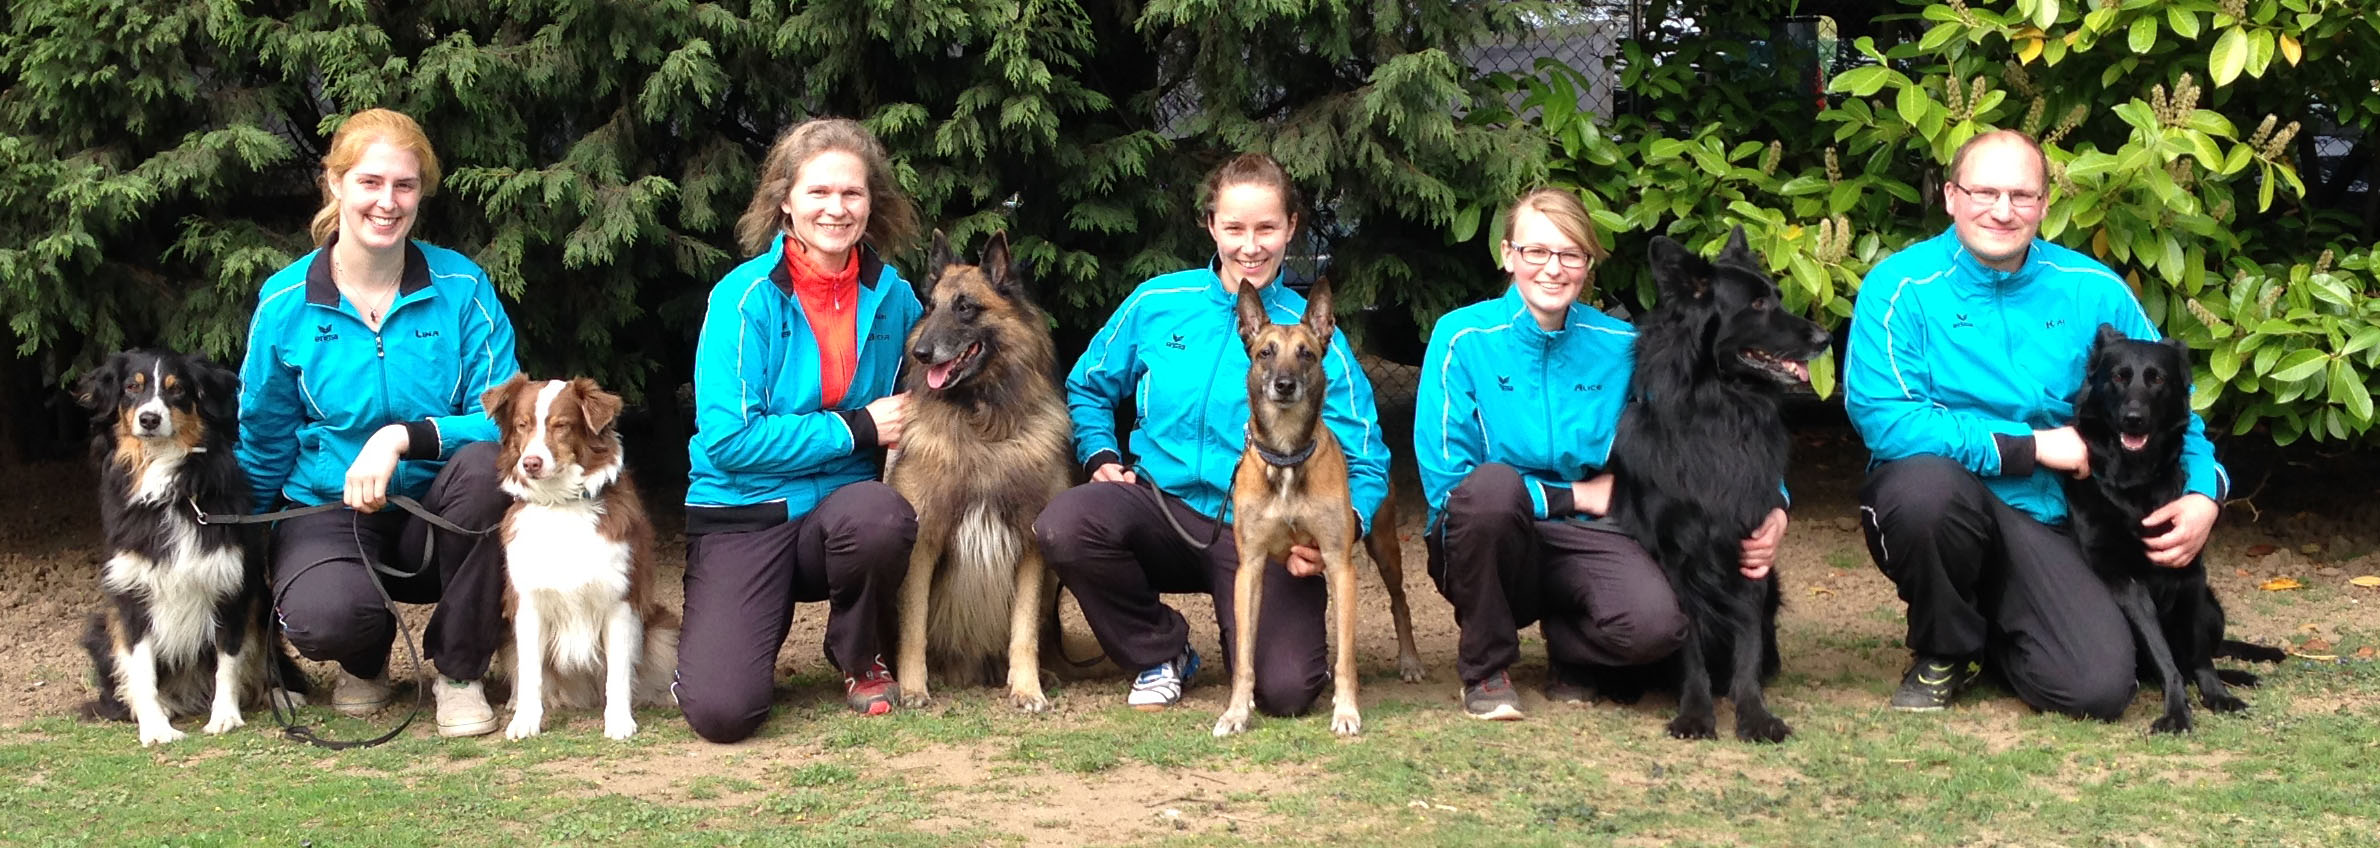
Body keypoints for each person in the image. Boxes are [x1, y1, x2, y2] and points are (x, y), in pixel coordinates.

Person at [1846, 129, 2228, 719]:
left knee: (2096, 689)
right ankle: (1943, 648)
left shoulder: (2095, 289)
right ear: (1950, 196)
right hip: (1955, 503)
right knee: (1923, 489)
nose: (2003, 211)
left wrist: (2206, 492)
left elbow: (2175, 403)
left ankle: (1998, 634)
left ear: (2046, 205)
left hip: (2062, 523)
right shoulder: (1898, 289)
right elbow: (1887, 421)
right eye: (1984, 192)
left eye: (2022, 195)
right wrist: (2032, 447)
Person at [1034, 153, 1391, 717]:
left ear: (1292, 228)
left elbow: (1367, 456)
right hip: (1158, 506)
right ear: (1211, 226)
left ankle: (1248, 650)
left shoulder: (1311, 338)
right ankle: (1162, 651)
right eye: (1235, 228)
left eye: (1267, 228)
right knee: (1066, 525)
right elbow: (1087, 386)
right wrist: (1100, 453)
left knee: (1288, 692)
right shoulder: (1158, 303)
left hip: (1261, 530)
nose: (1251, 246)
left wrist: (1347, 526)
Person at [1415, 188, 1789, 720]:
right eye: (1536, 252)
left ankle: (1572, 648)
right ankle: (1486, 668)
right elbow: (1448, 487)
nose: (1553, 269)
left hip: (1594, 536)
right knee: (1491, 491)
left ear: (1587, 265)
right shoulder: (1461, 338)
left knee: (1657, 627)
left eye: (1570, 254)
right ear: (1507, 255)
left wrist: (1774, 502)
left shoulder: (1619, 344)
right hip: (1489, 536)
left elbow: (1705, 432)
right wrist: (1572, 496)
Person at [239, 108, 520, 737]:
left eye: (404, 186)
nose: (387, 203)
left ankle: (458, 671)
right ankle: (362, 661)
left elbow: (507, 417)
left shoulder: (463, 286)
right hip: (328, 505)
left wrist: (403, 437)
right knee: (325, 618)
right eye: (369, 182)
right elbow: (263, 436)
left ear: (420, 193)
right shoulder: (284, 304)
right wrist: (242, 544)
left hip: (441, 505)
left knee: (483, 472)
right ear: (334, 184)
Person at [678, 117, 923, 743]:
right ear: (785, 200)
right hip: (743, 513)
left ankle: (855, 651)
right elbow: (729, 442)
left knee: (881, 516)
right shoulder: (744, 298)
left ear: (873, 202)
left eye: (852, 194)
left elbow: (930, 394)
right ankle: (719, 646)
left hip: (841, 517)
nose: (836, 209)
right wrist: (856, 429)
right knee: (722, 713)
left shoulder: (896, 298)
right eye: (818, 193)